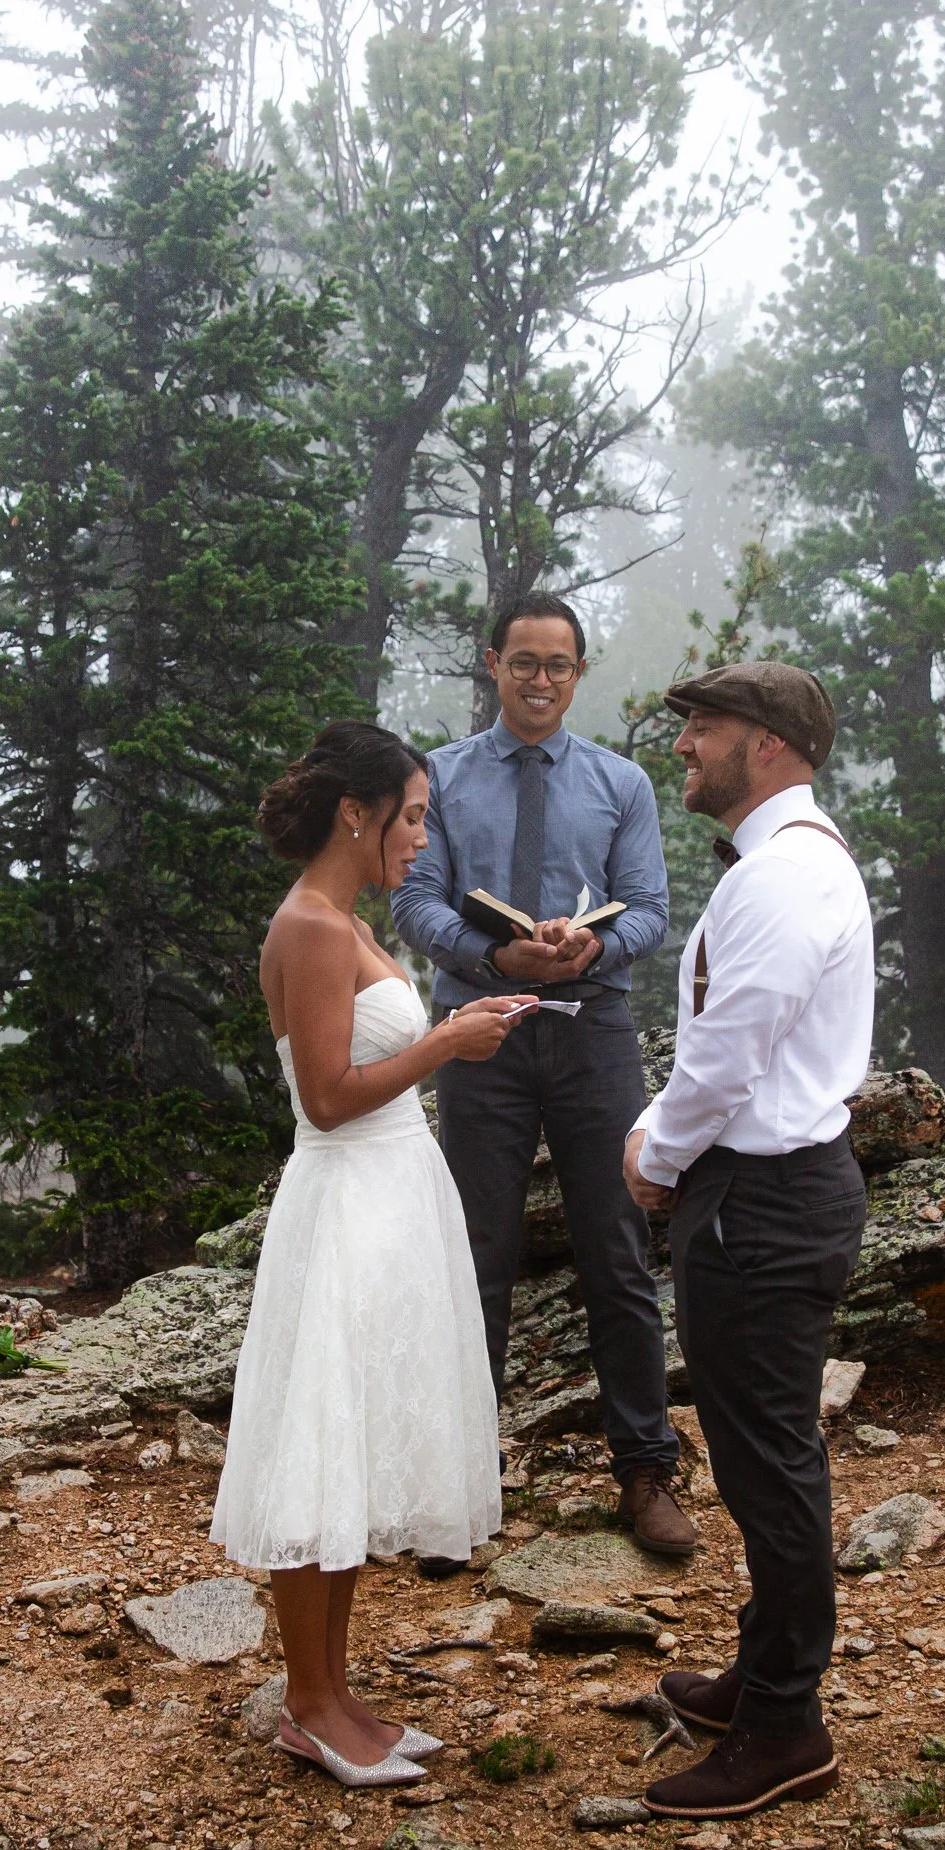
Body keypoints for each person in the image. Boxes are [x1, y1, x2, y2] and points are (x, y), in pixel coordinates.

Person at [211, 720, 529, 1788]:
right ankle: (305, 1703)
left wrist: (457, 1022)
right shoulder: (307, 922)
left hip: (392, 1200)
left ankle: (336, 1691)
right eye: (414, 816)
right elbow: (327, 1098)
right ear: (359, 811)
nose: (421, 839)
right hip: (345, 1201)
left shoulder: (342, 919)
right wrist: (443, 1043)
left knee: (351, 1450)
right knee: (320, 1447)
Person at [391, 591, 695, 1561]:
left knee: (615, 1248)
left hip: (592, 1030)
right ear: (491, 664)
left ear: (577, 672)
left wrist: (584, 948)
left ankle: (645, 1468)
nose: (538, 680)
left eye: (557, 664)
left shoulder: (620, 783)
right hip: (481, 1033)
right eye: (522, 662)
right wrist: (492, 960)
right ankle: (458, 1481)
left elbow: (647, 909)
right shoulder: (438, 777)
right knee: (473, 1254)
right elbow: (416, 900)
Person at [621, 661, 874, 1819]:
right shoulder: (783, 866)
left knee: (770, 1466)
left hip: (761, 1200)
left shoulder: (782, 877)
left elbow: (730, 1051)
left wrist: (652, 1152)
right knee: (759, 1453)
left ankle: (785, 1722)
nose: (685, 746)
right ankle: (760, 1673)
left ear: (766, 744)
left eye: (704, 728)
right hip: (769, 1192)